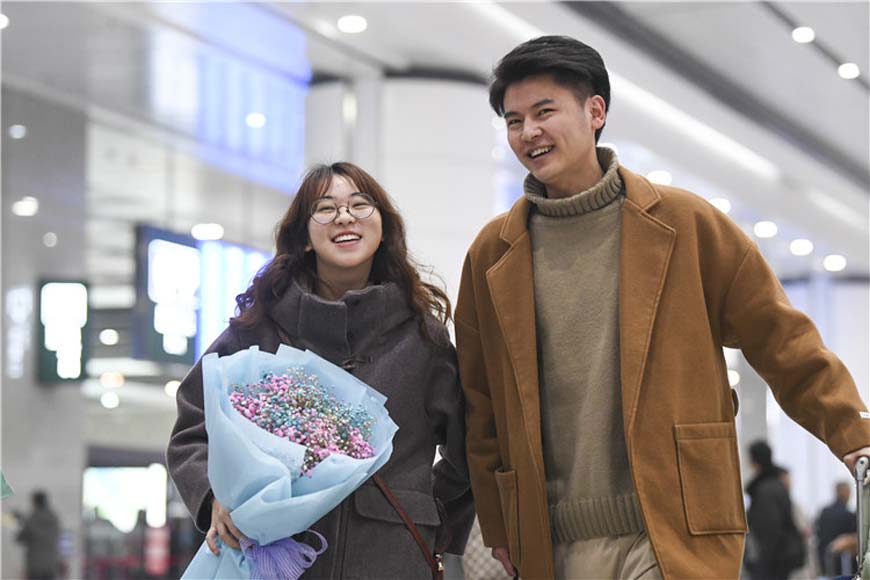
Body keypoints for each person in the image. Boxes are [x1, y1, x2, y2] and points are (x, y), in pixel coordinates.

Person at [454, 35, 870, 579]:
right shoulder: (493, 254)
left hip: (673, 525)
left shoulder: (686, 224)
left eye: (544, 111)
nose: (528, 131)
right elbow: (480, 402)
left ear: (595, 111)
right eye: (513, 120)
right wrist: (499, 522)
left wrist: (854, 434)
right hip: (549, 536)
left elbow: (781, 340)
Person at [167, 162, 474, 578]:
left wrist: (429, 517)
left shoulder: (423, 339)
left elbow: (468, 452)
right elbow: (192, 426)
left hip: (393, 559)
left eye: (360, 205)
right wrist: (214, 496)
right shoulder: (260, 327)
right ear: (305, 238)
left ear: (383, 228)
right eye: (325, 208)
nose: (345, 216)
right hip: (277, 558)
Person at [744, 442, 806, 580]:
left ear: (754, 461)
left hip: (771, 564)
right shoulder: (775, 485)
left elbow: (770, 531)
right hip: (778, 560)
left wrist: (761, 564)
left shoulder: (765, 490)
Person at [14, 490, 61, 580]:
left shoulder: (32, 519)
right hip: (51, 565)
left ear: (34, 502)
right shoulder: (54, 518)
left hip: (35, 566)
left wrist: (20, 522)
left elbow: (20, 538)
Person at [815, 481, 857, 576]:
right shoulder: (849, 515)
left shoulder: (824, 512)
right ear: (846, 492)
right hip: (844, 564)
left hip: (824, 559)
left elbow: (818, 533)